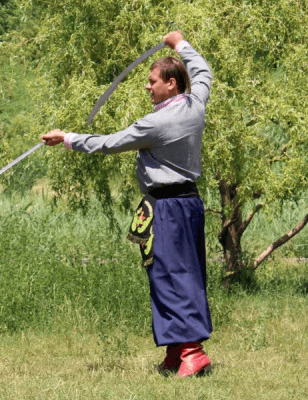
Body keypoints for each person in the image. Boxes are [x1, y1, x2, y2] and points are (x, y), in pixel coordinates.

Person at [41, 30, 213, 378]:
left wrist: (68, 139)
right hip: (189, 204)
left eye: (152, 82)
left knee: (174, 278)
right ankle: (177, 350)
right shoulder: (197, 103)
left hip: (168, 209)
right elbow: (203, 72)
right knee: (172, 276)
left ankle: (193, 352)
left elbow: (111, 143)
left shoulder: (157, 123)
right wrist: (180, 44)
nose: (147, 87)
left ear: (171, 84)